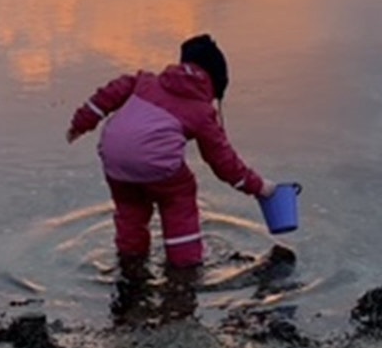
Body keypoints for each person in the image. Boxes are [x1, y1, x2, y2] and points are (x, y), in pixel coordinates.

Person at [67, 34, 277, 279]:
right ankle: (185, 266)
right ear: (214, 84)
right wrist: (260, 187)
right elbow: (223, 163)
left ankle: (130, 261)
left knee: (130, 209)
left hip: (114, 157)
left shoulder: (145, 82)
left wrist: (80, 123)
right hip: (154, 165)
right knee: (180, 197)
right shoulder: (201, 111)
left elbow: (111, 93)